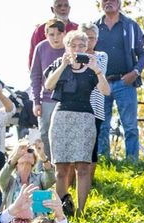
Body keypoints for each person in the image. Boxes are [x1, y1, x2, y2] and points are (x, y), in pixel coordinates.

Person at [44, 32, 109, 211]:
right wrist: (64, 64)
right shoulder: (58, 64)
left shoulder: (91, 69)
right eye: (73, 45)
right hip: (61, 117)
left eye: (81, 45)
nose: (78, 48)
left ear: (86, 47)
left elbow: (106, 91)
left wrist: (97, 69)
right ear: (67, 47)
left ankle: (81, 210)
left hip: (85, 118)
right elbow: (48, 86)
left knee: (83, 167)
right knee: (61, 168)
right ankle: (60, 210)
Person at [95, 0, 144, 161]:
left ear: (119, 3)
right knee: (101, 125)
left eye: (113, 0)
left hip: (125, 81)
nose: (108, 2)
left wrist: (136, 72)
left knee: (130, 126)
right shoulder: (94, 27)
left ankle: (133, 162)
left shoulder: (131, 25)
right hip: (101, 83)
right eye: (105, 0)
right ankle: (104, 162)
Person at [32, 20, 67, 160]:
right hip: (46, 98)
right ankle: (44, 166)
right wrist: (36, 101)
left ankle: (62, 165)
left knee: (62, 133)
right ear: (46, 34)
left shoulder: (69, 49)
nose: (55, 37)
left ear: (64, 34)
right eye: (51, 34)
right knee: (44, 133)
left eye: (59, 34)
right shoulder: (41, 48)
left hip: (65, 98)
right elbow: (35, 75)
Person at [30, 0, 78, 66]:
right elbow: (33, 56)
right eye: (59, 6)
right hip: (48, 73)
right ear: (52, 9)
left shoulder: (77, 29)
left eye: (66, 5)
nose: (63, 8)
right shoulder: (41, 30)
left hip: (73, 72)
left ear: (69, 9)